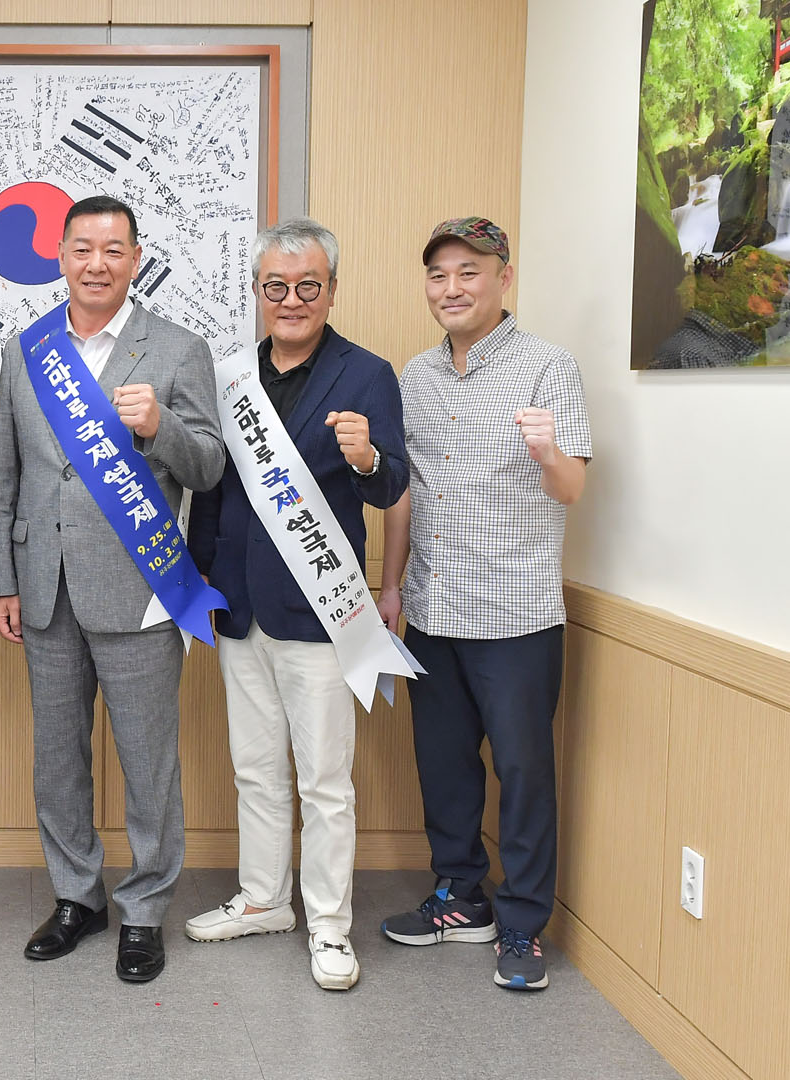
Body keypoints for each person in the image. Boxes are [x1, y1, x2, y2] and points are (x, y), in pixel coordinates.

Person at [0, 195, 225, 983]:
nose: (98, 264)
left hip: (140, 590)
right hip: (44, 586)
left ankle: (146, 909)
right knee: (57, 758)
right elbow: (8, 476)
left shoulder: (179, 350)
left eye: (114, 250)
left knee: (148, 760)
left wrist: (161, 427)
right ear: (60, 256)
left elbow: (209, 467)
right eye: (83, 249)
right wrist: (2, 580)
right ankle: (76, 897)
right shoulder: (27, 350)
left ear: (136, 259)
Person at [181, 218, 407, 991]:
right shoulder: (230, 377)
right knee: (254, 769)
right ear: (256, 291)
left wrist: (367, 459)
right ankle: (263, 899)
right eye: (275, 286)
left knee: (325, 782)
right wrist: (203, 581)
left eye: (308, 285)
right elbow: (212, 493)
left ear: (332, 290)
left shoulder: (367, 374)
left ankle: (331, 927)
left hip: (320, 610)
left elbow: (391, 484)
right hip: (240, 606)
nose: (291, 299)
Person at [378, 216, 591, 992]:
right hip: (432, 607)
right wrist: (391, 584)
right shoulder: (415, 375)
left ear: (504, 276)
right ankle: (461, 896)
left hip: (516, 614)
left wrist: (547, 452)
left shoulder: (548, 367)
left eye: (469, 272)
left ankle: (524, 924)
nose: (452, 288)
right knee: (444, 766)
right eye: (438, 274)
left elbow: (572, 487)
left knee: (524, 772)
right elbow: (405, 492)